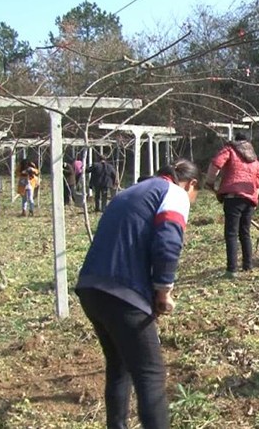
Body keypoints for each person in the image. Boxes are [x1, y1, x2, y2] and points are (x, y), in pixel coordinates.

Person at [75, 159, 200, 429]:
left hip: (91, 287)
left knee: (119, 365)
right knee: (150, 375)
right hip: (123, 292)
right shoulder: (174, 193)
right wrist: (164, 291)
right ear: (191, 185)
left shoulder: (131, 191)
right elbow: (168, 244)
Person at [205, 133, 259, 277]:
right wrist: (254, 200)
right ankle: (247, 266)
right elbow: (258, 182)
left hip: (233, 197)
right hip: (249, 199)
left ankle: (232, 270)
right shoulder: (254, 159)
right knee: (245, 233)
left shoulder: (229, 150)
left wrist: (210, 182)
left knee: (231, 234)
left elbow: (216, 164)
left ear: (236, 140)